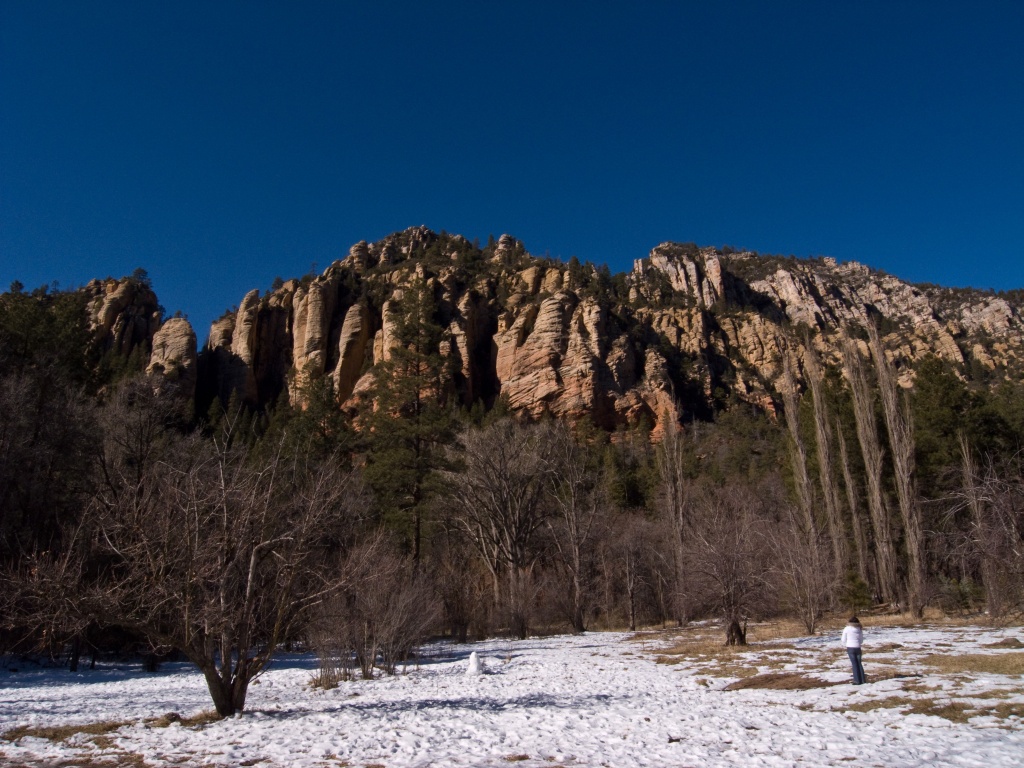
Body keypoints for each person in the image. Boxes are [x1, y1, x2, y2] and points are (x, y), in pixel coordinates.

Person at [841, 616, 866, 684]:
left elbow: (843, 639)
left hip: (850, 647)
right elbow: (861, 640)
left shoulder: (847, 628)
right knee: (859, 663)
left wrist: (846, 643)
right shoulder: (859, 629)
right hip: (858, 647)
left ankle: (857, 680)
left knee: (854, 664)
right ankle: (862, 680)